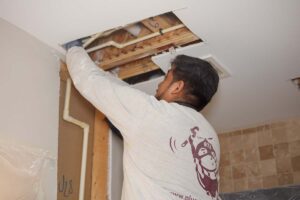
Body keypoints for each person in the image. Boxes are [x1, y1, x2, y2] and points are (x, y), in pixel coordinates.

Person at [66, 46, 221, 200]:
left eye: (166, 78)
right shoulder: (209, 135)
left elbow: (88, 80)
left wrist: (73, 48)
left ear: (177, 87)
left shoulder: (154, 114)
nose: (159, 85)